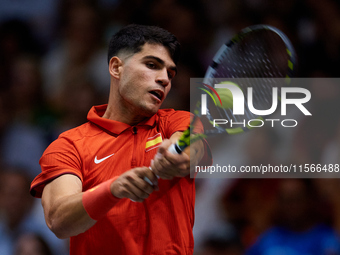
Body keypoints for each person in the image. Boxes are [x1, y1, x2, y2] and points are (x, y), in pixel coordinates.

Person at [30, 24, 210, 255]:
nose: (164, 79)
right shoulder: (70, 145)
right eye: (152, 65)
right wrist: (113, 189)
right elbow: (59, 220)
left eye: (170, 73)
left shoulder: (176, 122)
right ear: (116, 67)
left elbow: (189, 148)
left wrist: (175, 154)